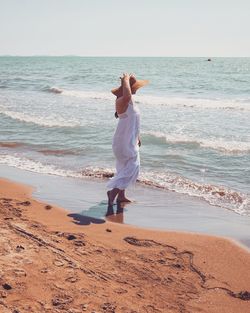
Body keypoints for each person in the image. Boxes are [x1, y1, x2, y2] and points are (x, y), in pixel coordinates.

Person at [107, 73, 148, 206]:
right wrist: (125, 79)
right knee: (133, 167)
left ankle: (121, 196)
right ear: (128, 88)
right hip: (124, 142)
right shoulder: (122, 100)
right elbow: (128, 96)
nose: (137, 89)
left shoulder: (129, 101)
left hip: (128, 140)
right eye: (134, 87)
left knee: (123, 167)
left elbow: (133, 120)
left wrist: (138, 136)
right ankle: (113, 193)